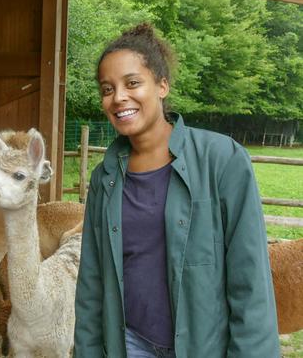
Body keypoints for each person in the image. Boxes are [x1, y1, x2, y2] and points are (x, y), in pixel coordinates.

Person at [74, 23, 280, 357]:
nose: (118, 97)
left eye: (132, 83)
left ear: (162, 85)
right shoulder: (105, 178)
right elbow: (92, 284)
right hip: (130, 343)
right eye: (107, 89)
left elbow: (250, 281)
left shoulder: (222, 161)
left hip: (205, 347)